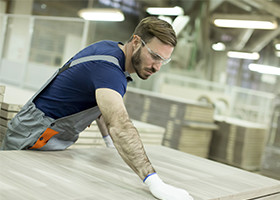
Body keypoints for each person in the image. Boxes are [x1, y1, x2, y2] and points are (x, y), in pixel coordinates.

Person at [1, 17, 193, 200]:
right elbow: (120, 126)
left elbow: (103, 107)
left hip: (49, 136)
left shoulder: (112, 51)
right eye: (154, 56)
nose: (157, 67)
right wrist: (154, 182)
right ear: (136, 42)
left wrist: (108, 143)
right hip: (34, 134)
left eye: (164, 61)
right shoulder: (108, 70)